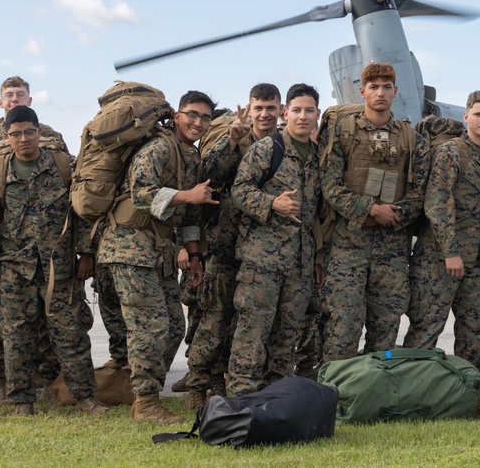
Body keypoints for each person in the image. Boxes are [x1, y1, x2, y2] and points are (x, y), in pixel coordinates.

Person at [98, 90, 217, 423]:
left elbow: (190, 214)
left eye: (205, 117)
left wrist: (194, 256)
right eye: (192, 114)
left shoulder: (190, 156)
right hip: (129, 246)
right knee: (150, 328)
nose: (198, 122)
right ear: (177, 116)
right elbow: (141, 193)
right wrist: (187, 195)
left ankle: (140, 391)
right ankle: (146, 402)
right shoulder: (159, 147)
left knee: (174, 326)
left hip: (157, 250)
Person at [0, 106, 106, 416]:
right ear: (7, 136)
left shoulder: (63, 167)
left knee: (71, 335)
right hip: (14, 269)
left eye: (29, 132)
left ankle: (85, 397)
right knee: (15, 338)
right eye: (16, 134)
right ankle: (21, 402)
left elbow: (83, 212)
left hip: (59, 268)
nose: (23, 139)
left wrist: (86, 253)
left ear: (39, 132)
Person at [319, 63, 429, 362]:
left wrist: (394, 215)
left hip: (392, 249)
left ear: (395, 91)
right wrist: (370, 209)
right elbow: (329, 185)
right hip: (348, 245)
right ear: (362, 91)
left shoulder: (412, 139)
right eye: (374, 87)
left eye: (386, 87)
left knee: (385, 328)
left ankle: (374, 386)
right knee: (342, 325)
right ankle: (334, 387)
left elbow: (420, 191)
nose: (380, 92)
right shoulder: (341, 133)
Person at [185, 83, 282, 407]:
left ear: (279, 110)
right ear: (249, 109)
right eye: (259, 108)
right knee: (214, 321)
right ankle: (198, 385)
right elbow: (207, 175)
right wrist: (231, 140)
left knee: (247, 325)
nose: (264, 114)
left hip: (263, 252)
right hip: (226, 247)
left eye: (270, 108)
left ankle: (227, 381)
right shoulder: (235, 140)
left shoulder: (284, 146)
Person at [227, 83, 323, 396]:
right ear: (286, 113)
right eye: (297, 110)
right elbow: (239, 190)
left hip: (299, 263)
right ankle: (242, 397)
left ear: (317, 114)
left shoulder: (318, 157)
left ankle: (277, 396)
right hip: (262, 260)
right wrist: (272, 203)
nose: (303, 116)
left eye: (309, 110)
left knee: (287, 335)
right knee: (253, 332)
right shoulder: (268, 148)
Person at [403, 90, 480, 373]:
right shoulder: (452, 151)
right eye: (478, 114)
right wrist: (450, 252)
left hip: (476, 259)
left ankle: (466, 390)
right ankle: (412, 390)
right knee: (426, 329)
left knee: (473, 332)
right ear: (466, 117)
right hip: (440, 258)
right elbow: (437, 202)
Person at [0, 76, 66, 400]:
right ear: (0, 102)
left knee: (47, 324)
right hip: (5, 247)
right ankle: (3, 383)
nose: (15, 99)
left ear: (29, 100)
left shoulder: (50, 136)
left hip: (44, 250)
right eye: (9, 95)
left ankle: (45, 379)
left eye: (20, 94)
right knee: (1, 324)